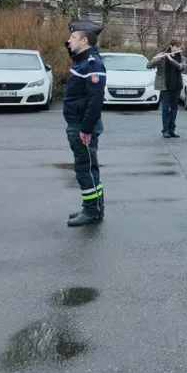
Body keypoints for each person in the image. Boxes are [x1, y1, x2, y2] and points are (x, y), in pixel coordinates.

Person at [63, 20, 107, 227]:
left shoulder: (92, 63)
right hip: (78, 123)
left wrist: (86, 128)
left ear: (84, 41)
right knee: (88, 168)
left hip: (82, 126)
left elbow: (96, 98)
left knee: (85, 169)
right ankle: (94, 208)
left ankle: (92, 211)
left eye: (73, 38)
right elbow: (74, 53)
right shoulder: (82, 60)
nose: (68, 41)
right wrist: (71, 45)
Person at [148, 39, 185, 138]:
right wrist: (157, 59)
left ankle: (172, 129)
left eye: (179, 47)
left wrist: (171, 60)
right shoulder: (162, 55)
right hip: (165, 85)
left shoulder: (180, 56)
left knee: (174, 109)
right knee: (165, 109)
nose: (178, 49)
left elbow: (182, 68)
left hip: (177, 85)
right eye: (176, 47)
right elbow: (148, 66)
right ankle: (165, 130)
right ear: (171, 46)